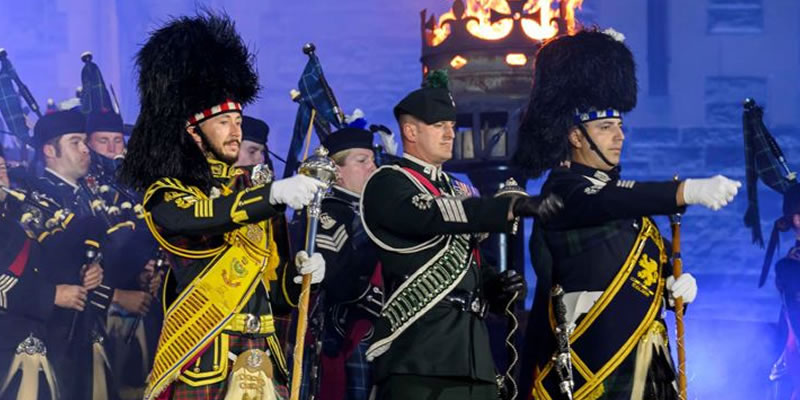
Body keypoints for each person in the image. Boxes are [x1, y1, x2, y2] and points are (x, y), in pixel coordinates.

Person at [513, 29, 740, 400]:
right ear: (574, 136)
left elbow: (646, 259)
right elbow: (604, 201)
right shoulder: (563, 191)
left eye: (620, 126)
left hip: (646, 365)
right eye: (605, 128)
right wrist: (683, 191)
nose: (619, 137)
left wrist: (674, 287)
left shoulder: (628, 209)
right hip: (591, 367)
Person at [118, 13, 327, 400]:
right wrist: (273, 196)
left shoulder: (256, 191)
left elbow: (276, 292)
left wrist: (302, 278)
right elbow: (197, 218)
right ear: (194, 133)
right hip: (204, 357)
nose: (237, 131)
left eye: (238, 120)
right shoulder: (167, 190)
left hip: (262, 353)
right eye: (224, 122)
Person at [360, 73, 561, 400]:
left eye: (451, 125)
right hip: (420, 356)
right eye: (439, 125)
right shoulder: (388, 182)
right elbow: (431, 216)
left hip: (473, 356)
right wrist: (508, 207)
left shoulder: (458, 189)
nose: (450, 132)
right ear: (411, 131)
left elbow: (471, 261)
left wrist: (495, 286)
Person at [296, 127, 384, 400]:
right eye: (362, 161)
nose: (373, 167)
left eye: (372, 159)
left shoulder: (376, 210)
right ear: (335, 169)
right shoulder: (326, 212)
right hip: (347, 336)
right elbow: (335, 277)